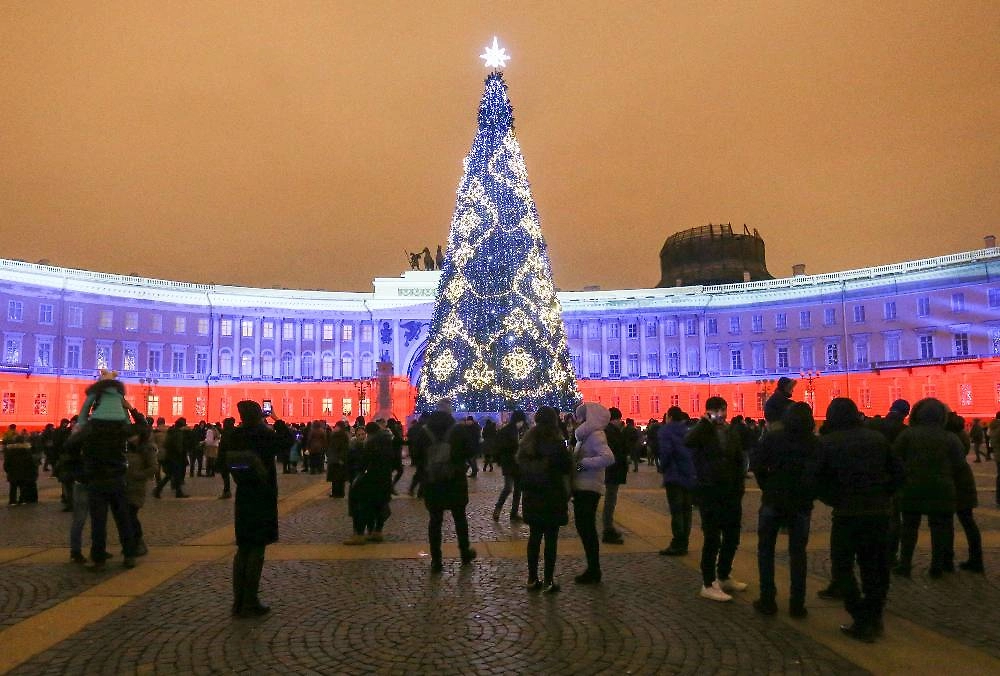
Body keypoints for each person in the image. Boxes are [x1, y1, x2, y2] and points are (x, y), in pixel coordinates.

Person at [815, 397, 903, 643]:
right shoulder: (877, 439)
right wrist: (885, 495)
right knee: (875, 568)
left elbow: (817, 479)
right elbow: (898, 473)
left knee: (842, 567)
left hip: (846, 515)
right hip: (878, 514)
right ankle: (874, 616)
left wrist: (834, 499)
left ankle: (860, 614)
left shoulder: (828, 442)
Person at [750, 402, 818, 617]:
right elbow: (819, 473)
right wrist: (809, 493)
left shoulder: (773, 438)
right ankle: (797, 605)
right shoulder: (813, 443)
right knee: (798, 554)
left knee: (766, 551)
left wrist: (767, 486)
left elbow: (757, 464)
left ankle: (767, 599)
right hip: (801, 504)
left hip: (773, 499)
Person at [893, 399, 966, 579]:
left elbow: (895, 460)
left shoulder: (908, 435)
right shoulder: (949, 437)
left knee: (909, 529)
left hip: (912, 488)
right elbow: (960, 464)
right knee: (940, 529)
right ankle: (938, 566)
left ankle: (905, 564)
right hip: (942, 489)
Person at [686, 396, 748, 602]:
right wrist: (705, 422)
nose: (721, 414)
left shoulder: (731, 431)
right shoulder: (702, 430)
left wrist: (740, 485)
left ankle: (723, 575)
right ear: (708, 412)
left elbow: (739, 458)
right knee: (712, 538)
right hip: (709, 491)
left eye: (723, 410)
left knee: (732, 535)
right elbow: (689, 442)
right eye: (716, 411)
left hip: (731, 491)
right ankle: (708, 582)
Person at [229, 401, 281, 618]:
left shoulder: (233, 435)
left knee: (243, 549)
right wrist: (276, 420)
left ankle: (238, 601)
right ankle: (250, 601)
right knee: (257, 549)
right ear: (259, 414)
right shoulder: (264, 434)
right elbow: (285, 443)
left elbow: (224, 462)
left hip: (243, 493)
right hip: (263, 493)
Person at [416, 399, 477, 573]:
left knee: (435, 521)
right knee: (460, 518)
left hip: (433, 482)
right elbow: (471, 451)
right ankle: (464, 552)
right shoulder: (458, 429)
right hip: (455, 480)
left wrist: (425, 473)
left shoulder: (424, 431)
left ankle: (436, 560)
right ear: (449, 411)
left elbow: (416, 456)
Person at [80, 402, 144, 569]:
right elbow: (143, 428)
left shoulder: (89, 430)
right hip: (117, 479)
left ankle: (99, 559)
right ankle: (129, 555)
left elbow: (79, 451)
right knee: (123, 520)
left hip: (97, 480)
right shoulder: (118, 428)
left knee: (98, 523)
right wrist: (131, 409)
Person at [517, 406, 573, 593]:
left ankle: (532, 579)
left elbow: (520, 470)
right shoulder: (557, 443)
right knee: (551, 539)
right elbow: (567, 468)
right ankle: (549, 580)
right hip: (553, 495)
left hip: (533, 495)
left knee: (534, 537)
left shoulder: (527, 442)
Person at [570, 401, 615, 584]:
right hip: (582, 487)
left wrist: (582, 464)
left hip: (589, 487)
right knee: (584, 528)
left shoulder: (596, 435)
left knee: (587, 529)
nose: (579, 420)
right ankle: (592, 567)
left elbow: (608, 457)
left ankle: (594, 569)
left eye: (582, 416)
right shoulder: (585, 436)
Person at [344, 422, 396, 544]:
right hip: (384, 479)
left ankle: (359, 535)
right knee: (379, 506)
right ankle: (377, 532)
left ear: (369, 433)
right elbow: (395, 463)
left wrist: (358, 476)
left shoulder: (371, 443)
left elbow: (365, 463)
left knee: (361, 507)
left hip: (370, 480)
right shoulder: (388, 441)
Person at [657, 406, 695, 556]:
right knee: (687, 510)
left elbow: (665, 453)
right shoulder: (689, 430)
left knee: (677, 511)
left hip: (674, 476)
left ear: (670, 417)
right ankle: (684, 542)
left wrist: (663, 467)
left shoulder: (666, 431)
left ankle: (677, 543)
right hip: (689, 475)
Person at [125, 413, 158, 557]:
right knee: (127, 516)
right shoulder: (128, 447)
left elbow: (153, 468)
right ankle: (130, 543)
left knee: (131, 515)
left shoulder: (147, 448)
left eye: (133, 435)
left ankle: (138, 542)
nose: (131, 438)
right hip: (125, 487)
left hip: (137, 488)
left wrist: (137, 475)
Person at [493, 410, 527, 522]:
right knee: (509, 488)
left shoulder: (515, 430)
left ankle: (513, 513)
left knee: (516, 489)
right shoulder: (509, 431)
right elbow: (505, 447)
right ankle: (501, 510)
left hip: (513, 463)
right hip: (510, 462)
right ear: (519, 420)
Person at [602, 407, 629, 545]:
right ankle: (607, 529)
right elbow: (615, 453)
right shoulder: (611, 432)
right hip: (613, 471)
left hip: (612, 470)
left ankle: (609, 527)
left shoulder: (608, 431)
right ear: (616, 419)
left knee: (610, 500)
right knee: (610, 501)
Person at [153, 418, 192, 499]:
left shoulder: (172, 431)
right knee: (171, 475)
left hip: (169, 456)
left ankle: (178, 492)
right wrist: (181, 452)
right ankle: (158, 490)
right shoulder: (178, 433)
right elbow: (178, 446)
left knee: (172, 475)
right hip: (175, 457)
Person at [4, 434, 38, 505]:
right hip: (24, 472)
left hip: (13, 472)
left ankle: (12, 501)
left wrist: (8, 470)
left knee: (13, 488)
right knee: (23, 487)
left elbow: (7, 463)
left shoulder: (10, 451)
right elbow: (30, 462)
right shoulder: (26, 450)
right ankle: (22, 500)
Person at [326, 421, 350, 498]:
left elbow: (344, 449)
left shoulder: (343, 436)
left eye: (337, 426)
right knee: (335, 478)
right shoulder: (334, 435)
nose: (335, 427)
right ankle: (335, 492)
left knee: (339, 478)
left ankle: (340, 493)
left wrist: (341, 458)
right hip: (334, 459)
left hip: (338, 459)